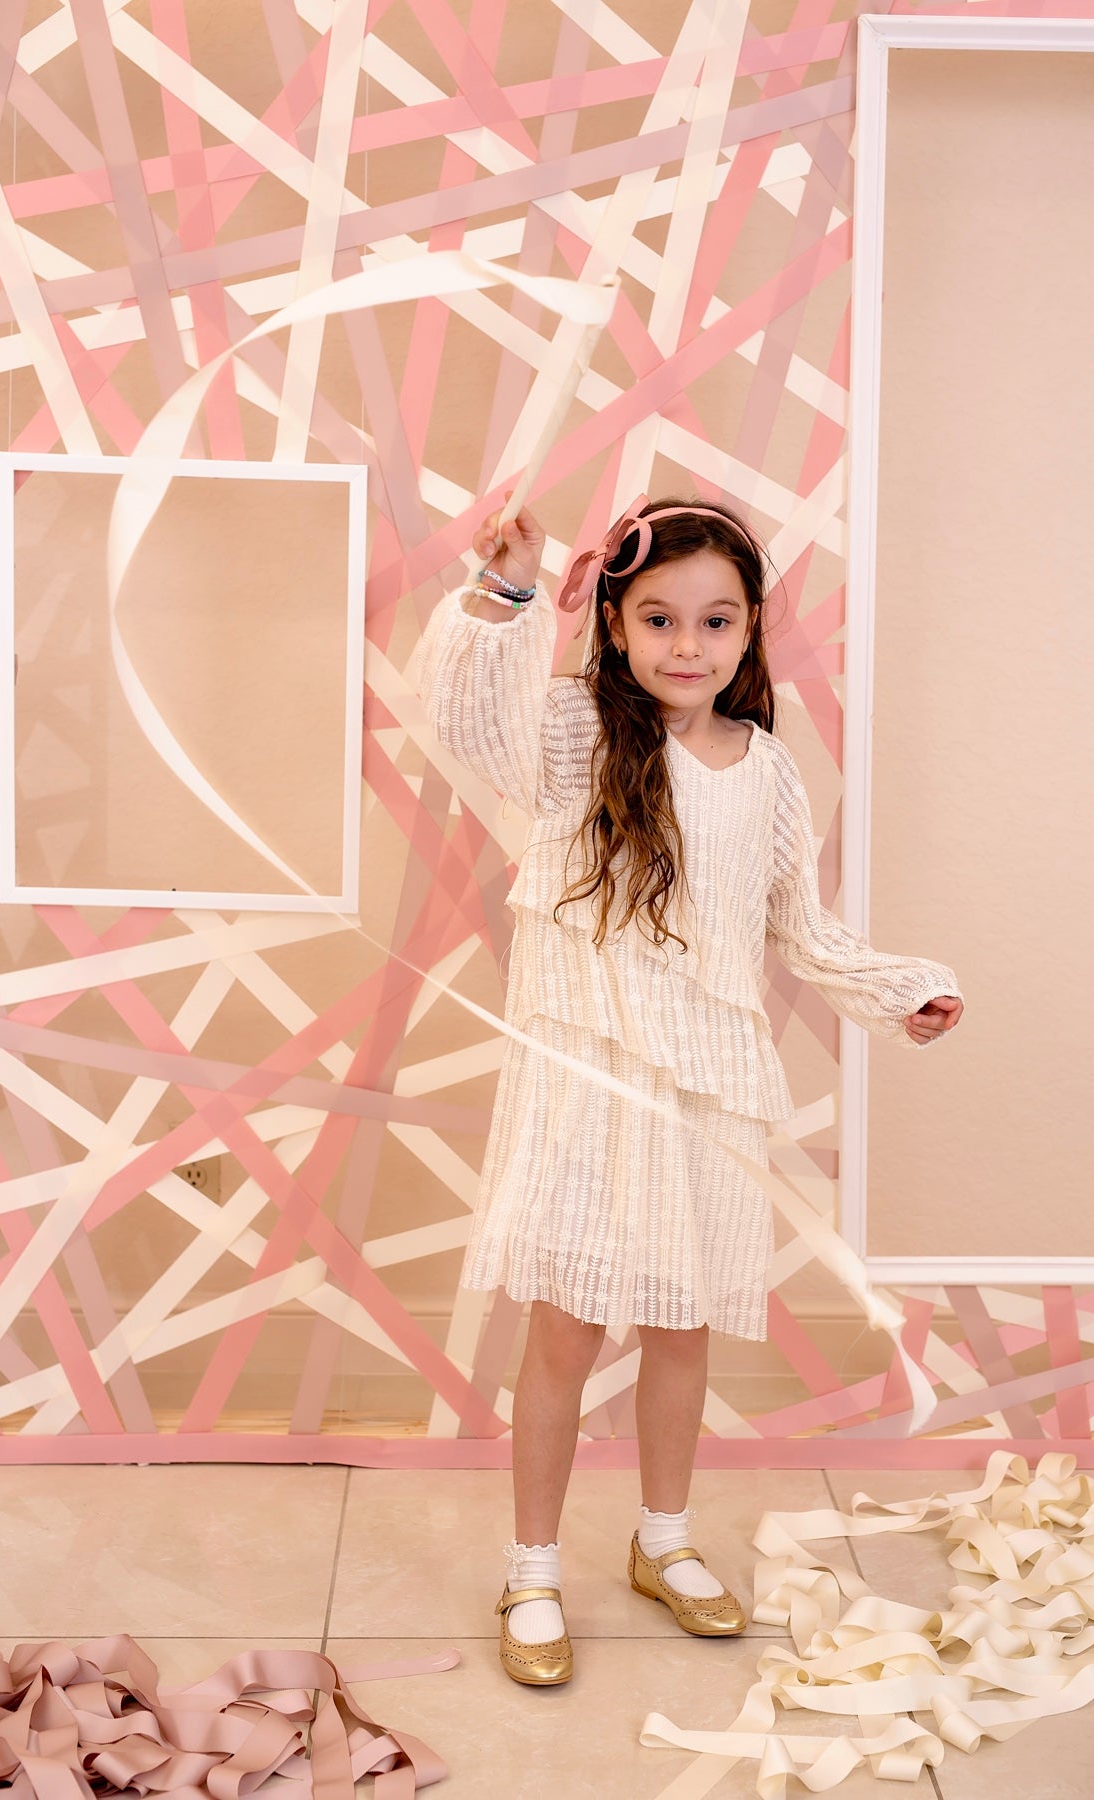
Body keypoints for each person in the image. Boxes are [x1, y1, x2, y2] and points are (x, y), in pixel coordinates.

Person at [413, 494, 964, 1687]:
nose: (685, 644)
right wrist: (508, 593)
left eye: (715, 620)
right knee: (563, 1330)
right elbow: (463, 718)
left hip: (705, 1083)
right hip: (585, 1074)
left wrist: (897, 991)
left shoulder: (765, 772)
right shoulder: (574, 732)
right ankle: (530, 1567)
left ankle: (662, 1540)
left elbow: (797, 927)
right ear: (613, 622)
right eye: (657, 617)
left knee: (680, 1326)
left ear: (748, 629)